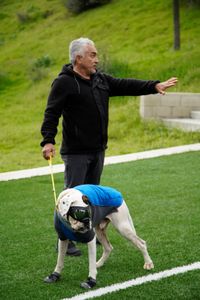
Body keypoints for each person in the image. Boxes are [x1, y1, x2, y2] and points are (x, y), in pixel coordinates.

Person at [40, 37, 178, 255]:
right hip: (76, 152)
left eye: (96, 54)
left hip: (97, 150)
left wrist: (154, 86)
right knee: (71, 198)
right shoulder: (64, 82)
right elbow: (52, 112)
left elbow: (126, 85)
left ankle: (87, 233)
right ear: (78, 58)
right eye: (92, 55)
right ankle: (66, 241)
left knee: (90, 198)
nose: (97, 59)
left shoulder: (100, 80)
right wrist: (48, 140)